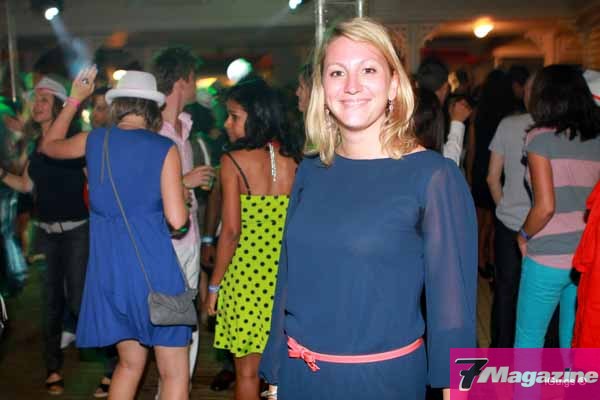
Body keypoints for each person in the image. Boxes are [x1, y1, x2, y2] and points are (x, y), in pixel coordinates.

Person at [259, 18, 476, 400]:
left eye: (369, 70)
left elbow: (454, 318)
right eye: (337, 72)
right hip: (300, 376)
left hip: (382, 382)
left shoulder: (433, 176)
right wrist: (275, 375)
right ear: (322, 88)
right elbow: (288, 278)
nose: (352, 85)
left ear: (393, 84)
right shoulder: (311, 169)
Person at [39, 68, 192, 399]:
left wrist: (75, 99)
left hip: (110, 276)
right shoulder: (164, 147)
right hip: (156, 275)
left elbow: (48, 146)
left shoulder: (94, 140)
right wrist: (184, 197)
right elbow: (178, 220)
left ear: (117, 105)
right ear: (153, 108)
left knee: (128, 366)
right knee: (174, 373)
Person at [205, 78, 302, 400]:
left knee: (247, 374)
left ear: (256, 116)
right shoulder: (296, 159)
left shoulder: (233, 161)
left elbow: (231, 231)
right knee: (287, 372)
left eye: (234, 116)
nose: (227, 124)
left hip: (246, 280)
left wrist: (214, 286)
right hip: (289, 277)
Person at [0, 76, 89, 395]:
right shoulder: (36, 145)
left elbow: (95, 182)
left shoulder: (76, 140)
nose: (36, 106)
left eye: (43, 100)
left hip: (78, 232)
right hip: (47, 234)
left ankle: (113, 365)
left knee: (79, 301)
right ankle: (53, 369)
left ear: (60, 106)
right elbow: (26, 185)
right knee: (50, 304)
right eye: (34, 100)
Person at [514, 65, 600, 348]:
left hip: (547, 257)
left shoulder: (539, 138)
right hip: (586, 257)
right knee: (573, 341)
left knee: (529, 340)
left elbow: (545, 207)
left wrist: (522, 235)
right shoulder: (596, 138)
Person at [152, 47, 214, 393]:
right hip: (164, 244)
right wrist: (184, 181)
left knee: (186, 327)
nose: (196, 85)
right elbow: (144, 189)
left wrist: (191, 183)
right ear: (181, 80)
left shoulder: (185, 128)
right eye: (194, 78)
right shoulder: (152, 130)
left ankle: (177, 390)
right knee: (169, 330)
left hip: (189, 239)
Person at [467, 70, 516, 281]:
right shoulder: (509, 116)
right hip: (501, 169)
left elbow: (471, 147)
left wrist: (469, 173)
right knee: (496, 221)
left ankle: (479, 259)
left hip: (481, 167)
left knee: (480, 221)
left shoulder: (478, 113)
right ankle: (491, 259)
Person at [415, 58, 472, 165]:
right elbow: (446, 165)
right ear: (445, 87)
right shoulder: (433, 111)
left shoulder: (409, 106)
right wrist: (457, 123)